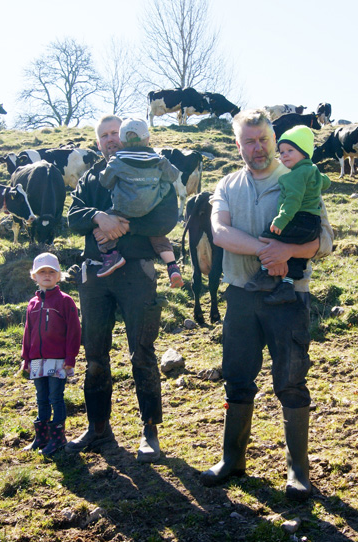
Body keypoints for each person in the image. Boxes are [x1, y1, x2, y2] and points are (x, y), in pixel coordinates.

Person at [201, 109, 333, 500]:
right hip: (241, 295)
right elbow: (220, 232)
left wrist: (288, 251)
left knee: (291, 380)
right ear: (237, 144)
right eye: (249, 141)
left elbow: (323, 240)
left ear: (275, 140)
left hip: (289, 298)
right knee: (237, 376)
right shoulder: (227, 184)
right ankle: (232, 459)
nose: (257, 148)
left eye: (264, 140)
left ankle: (298, 472)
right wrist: (269, 251)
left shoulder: (299, 176)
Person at [65, 114, 179, 463]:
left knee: (142, 353)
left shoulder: (154, 169)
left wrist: (121, 228)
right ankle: (98, 429)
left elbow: (167, 219)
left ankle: (150, 431)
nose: (111, 139)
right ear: (98, 142)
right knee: (95, 356)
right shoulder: (90, 179)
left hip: (138, 274)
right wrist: (100, 218)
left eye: (115, 133)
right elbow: (73, 218)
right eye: (104, 136)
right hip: (95, 278)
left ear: (130, 138)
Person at [244, 125, 331, 305]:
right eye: (282, 151)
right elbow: (326, 182)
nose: (284, 155)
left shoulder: (295, 175)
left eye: (290, 150)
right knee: (297, 252)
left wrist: (281, 220)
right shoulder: (313, 170)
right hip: (313, 224)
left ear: (304, 153)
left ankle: (265, 273)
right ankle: (287, 285)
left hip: (299, 219)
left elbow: (293, 199)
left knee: (267, 235)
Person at [96, 117, 183, 288]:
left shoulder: (117, 160)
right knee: (158, 236)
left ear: (121, 140)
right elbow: (173, 176)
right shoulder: (158, 159)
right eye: (105, 135)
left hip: (123, 209)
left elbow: (106, 182)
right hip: (151, 208)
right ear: (147, 139)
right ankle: (172, 266)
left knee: (104, 226)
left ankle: (112, 255)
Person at [20, 252, 81, 456]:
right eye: (42, 272)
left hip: (58, 360)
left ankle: (58, 439)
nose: (46, 275)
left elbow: (74, 331)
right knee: (41, 398)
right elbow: (28, 332)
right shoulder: (32, 304)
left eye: (51, 272)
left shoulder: (65, 301)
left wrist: (70, 358)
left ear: (58, 276)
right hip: (37, 360)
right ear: (34, 276)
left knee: (56, 397)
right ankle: (42, 437)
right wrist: (26, 359)